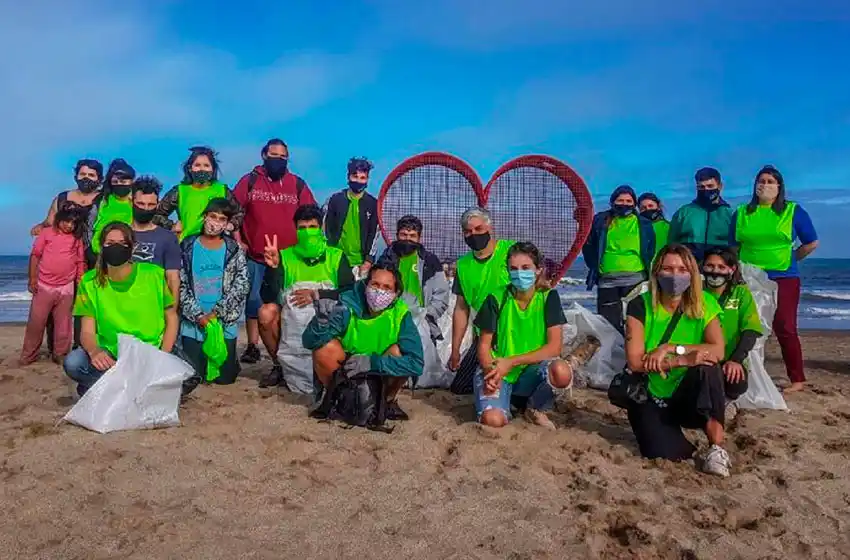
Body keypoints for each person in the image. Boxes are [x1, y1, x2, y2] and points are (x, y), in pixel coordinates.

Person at [623, 244, 735, 477]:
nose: (675, 276)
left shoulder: (704, 302)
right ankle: (678, 433)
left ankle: (716, 447)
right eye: (668, 269)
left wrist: (671, 349)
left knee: (708, 366)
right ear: (656, 272)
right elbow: (634, 362)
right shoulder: (639, 305)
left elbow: (718, 350)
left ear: (692, 274)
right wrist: (680, 361)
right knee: (663, 453)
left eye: (682, 269)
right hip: (652, 394)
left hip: (687, 392)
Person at [63, 222, 200, 397]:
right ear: (101, 247)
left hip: (152, 349)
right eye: (110, 243)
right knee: (74, 363)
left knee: (190, 377)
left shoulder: (154, 274)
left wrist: (162, 356)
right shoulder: (89, 281)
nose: (116, 248)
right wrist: (94, 351)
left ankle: (113, 388)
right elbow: (87, 331)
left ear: (132, 247)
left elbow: (171, 318)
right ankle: (131, 388)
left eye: (122, 243)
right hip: (112, 352)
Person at [474, 243, 594, 429]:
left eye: (525, 268)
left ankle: (536, 408)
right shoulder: (496, 297)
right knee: (493, 421)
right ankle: (507, 403)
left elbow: (554, 347)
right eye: (513, 269)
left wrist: (511, 362)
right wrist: (491, 373)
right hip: (499, 371)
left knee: (561, 371)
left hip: (530, 371)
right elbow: (483, 346)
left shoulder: (548, 297)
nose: (519, 273)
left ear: (538, 270)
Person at [730, 165, 818, 393]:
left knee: (785, 327)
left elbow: (811, 243)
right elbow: (733, 246)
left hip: (784, 277)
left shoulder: (793, 211)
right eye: (762, 181)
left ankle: (797, 379)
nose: (765, 185)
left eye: (770, 181)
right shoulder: (741, 212)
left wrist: (792, 259)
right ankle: (746, 373)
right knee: (746, 326)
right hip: (749, 277)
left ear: (779, 186)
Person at [303, 260, 424, 421]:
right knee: (324, 348)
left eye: (387, 288)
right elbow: (309, 342)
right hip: (347, 369)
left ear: (396, 293)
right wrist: (320, 324)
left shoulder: (401, 314)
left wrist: (373, 363)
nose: (379, 292)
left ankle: (387, 402)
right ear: (366, 285)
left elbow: (416, 363)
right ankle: (335, 399)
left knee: (397, 352)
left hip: (379, 370)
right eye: (375, 284)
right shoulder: (346, 305)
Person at [232, 139, 316, 365]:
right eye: (273, 155)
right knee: (253, 301)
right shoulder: (250, 181)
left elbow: (310, 213)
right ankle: (252, 345)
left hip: (288, 257)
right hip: (256, 255)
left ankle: (288, 350)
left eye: (282, 156)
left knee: (285, 302)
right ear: (263, 155)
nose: (277, 159)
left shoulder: (297, 184)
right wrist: (238, 240)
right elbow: (234, 210)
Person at [256, 204, 355, 389]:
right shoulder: (284, 256)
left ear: (321, 228)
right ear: (295, 229)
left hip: (328, 321)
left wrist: (318, 294)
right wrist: (273, 268)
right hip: (292, 325)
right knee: (265, 312)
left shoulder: (336, 256)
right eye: (302, 228)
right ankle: (280, 366)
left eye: (312, 227)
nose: (308, 232)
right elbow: (267, 296)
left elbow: (350, 292)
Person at [178, 199, 250, 385]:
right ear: (204, 217)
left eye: (221, 219)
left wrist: (217, 312)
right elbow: (180, 283)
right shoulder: (187, 246)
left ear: (227, 224)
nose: (215, 222)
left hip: (223, 321)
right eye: (212, 217)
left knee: (225, 378)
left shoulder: (233, 250)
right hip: (194, 323)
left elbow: (241, 285)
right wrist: (198, 314)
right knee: (195, 377)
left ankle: (232, 362)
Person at [449, 207, 514, 394]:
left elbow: (537, 273)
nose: (473, 234)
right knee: (459, 387)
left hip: (513, 328)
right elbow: (461, 309)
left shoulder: (510, 251)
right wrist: (455, 350)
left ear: (489, 228)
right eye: (468, 231)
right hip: (485, 333)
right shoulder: (462, 265)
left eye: (478, 229)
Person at [582, 185, 655, 334]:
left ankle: (634, 354)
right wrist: (595, 266)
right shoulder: (601, 220)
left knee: (636, 324)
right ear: (612, 202)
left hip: (636, 280)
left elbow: (650, 249)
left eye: (629, 201)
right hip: (607, 280)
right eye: (620, 200)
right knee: (608, 325)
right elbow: (589, 245)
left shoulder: (644, 223)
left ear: (634, 203)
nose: (624, 204)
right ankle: (613, 356)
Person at [20, 205, 86, 365]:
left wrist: (80, 282)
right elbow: (35, 256)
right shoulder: (47, 233)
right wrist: (33, 279)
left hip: (66, 288)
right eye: (67, 221)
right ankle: (29, 355)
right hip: (44, 285)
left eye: (73, 223)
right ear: (59, 218)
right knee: (36, 322)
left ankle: (60, 354)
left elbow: (80, 262)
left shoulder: (77, 239)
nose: (69, 226)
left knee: (63, 325)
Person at [381, 215, 450, 347]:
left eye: (412, 236)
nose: (408, 239)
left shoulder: (430, 261)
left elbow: (442, 295)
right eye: (403, 235)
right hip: (389, 322)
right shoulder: (386, 259)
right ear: (397, 235)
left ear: (419, 238)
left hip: (422, 324)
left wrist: (426, 315)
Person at [702, 247, 763, 390]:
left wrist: (736, 360)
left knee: (736, 383)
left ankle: (729, 401)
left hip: (730, 357)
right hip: (702, 356)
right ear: (702, 266)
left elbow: (751, 329)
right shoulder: (696, 292)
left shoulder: (741, 292)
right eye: (710, 266)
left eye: (721, 267)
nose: (715, 271)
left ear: (732, 269)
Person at [155, 146, 243, 241]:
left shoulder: (222, 190)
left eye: (206, 165)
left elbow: (239, 213)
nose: (202, 169)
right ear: (190, 168)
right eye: (197, 165)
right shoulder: (179, 191)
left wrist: (231, 225)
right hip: (187, 246)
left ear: (213, 169)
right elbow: (156, 215)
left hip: (218, 246)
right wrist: (171, 225)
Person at [324, 157, 382, 279]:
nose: (359, 181)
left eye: (363, 178)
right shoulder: (334, 200)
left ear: (367, 179)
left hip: (360, 264)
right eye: (355, 177)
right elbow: (324, 229)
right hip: (335, 260)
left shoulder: (373, 204)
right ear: (348, 177)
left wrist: (368, 261)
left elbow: (375, 235)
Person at [130, 176, 181, 309]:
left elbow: (172, 279)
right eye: (141, 204)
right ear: (131, 202)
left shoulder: (168, 238)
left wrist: (172, 312)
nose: (146, 209)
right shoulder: (118, 234)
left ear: (157, 205)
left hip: (154, 307)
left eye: (151, 205)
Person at [668, 167, 734, 262]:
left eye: (710, 186)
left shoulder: (730, 215)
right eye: (701, 187)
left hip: (718, 269)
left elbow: (736, 246)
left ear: (720, 186)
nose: (705, 190)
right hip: (690, 267)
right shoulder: (683, 213)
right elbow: (672, 243)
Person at [31, 158, 103, 241]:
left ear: (99, 179)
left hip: (95, 248)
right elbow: (50, 222)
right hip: (67, 249)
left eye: (91, 175)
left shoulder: (105, 199)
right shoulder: (62, 198)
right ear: (76, 177)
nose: (86, 178)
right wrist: (41, 226)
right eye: (82, 174)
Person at [87, 158, 136, 259]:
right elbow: (90, 225)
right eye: (115, 181)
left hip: (128, 253)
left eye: (123, 181)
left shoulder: (137, 200)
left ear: (131, 181)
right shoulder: (102, 199)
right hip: (99, 253)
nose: (119, 184)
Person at [639, 192, 670, 257]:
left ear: (658, 207)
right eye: (643, 208)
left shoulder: (669, 227)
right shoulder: (637, 228)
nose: (647, 209)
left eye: (651, 206)